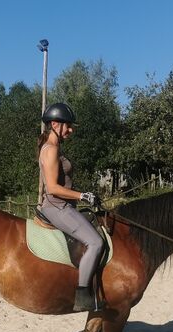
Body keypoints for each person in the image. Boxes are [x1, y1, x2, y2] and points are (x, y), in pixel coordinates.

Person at [37, 102, 104, 312]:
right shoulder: (50, 150)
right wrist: (83, 195)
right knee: (95, 242)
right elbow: (53, 188)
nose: (71, 129)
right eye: (68, 125)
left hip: (64, 206)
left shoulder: (54, 148)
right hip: (57, 207)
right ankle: (83, 294)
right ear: (55, 124)